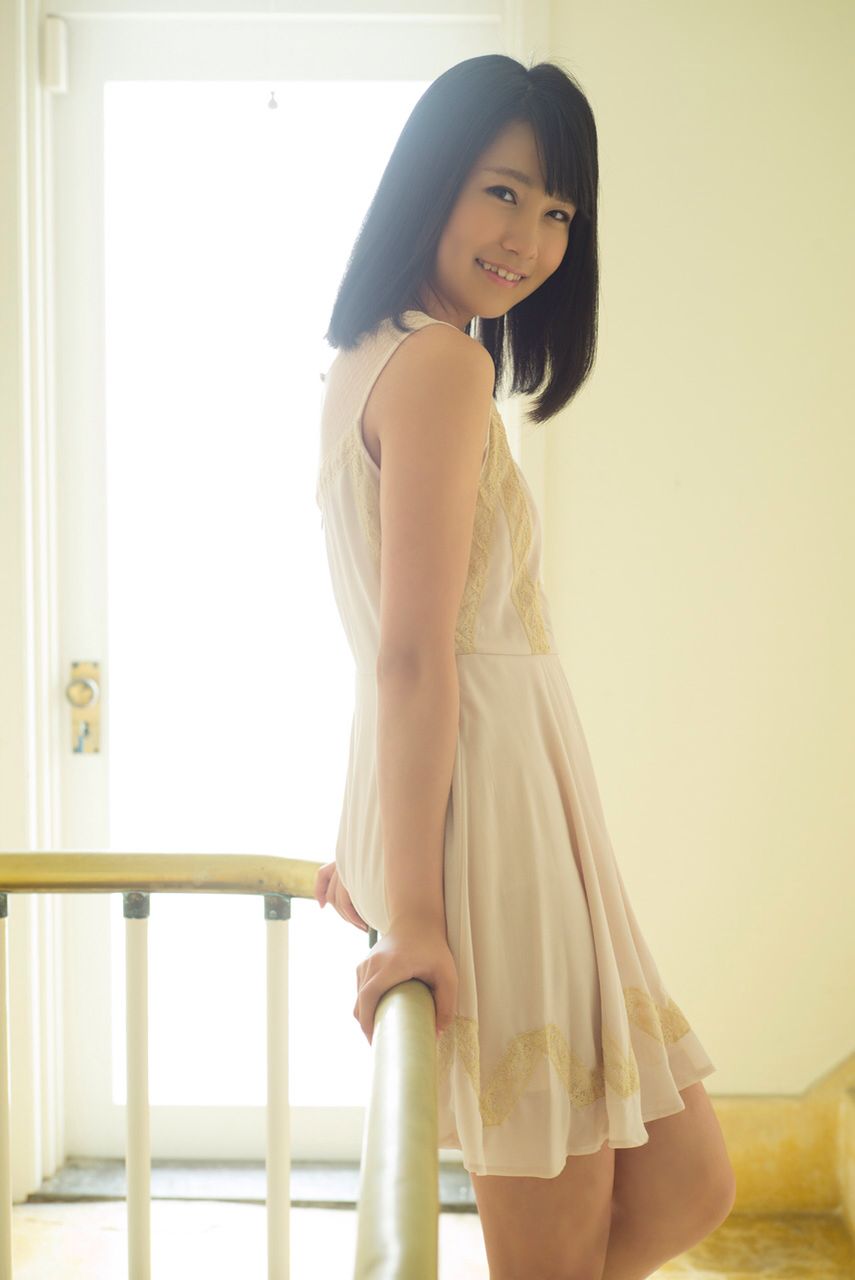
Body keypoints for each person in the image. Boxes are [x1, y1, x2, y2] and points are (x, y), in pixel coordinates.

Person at [313, 53, 735, 1279]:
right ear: (434, 179)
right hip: (496, 826)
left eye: (558, 212)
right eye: (504, 192)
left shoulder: (378, 354)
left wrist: (374, 828)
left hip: (514, 813)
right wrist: (417, 909)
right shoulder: (442, 366)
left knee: (689, 1179)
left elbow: (394, 634)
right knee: (558, 1243)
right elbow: (406, 649)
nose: (530, 240)